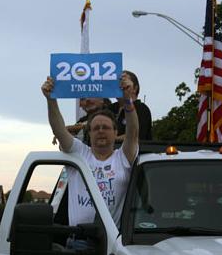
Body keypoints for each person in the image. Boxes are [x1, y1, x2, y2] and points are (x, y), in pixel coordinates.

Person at [42, 72, 139, 229]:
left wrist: (127, 99)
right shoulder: (78, 154)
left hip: (112, 241)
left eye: (106, 127)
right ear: (89, 133)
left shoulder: (123, 158)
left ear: (116, 132)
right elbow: (59, 130)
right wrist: (51, 99)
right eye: (96, 128)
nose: (101, 131)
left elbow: (133, 132)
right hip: (77, 239)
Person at [110, 70, 152, 143]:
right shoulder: (110, 108)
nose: (120, 85)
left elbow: (137, 135)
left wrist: (110, 140)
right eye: (116, 83)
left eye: (124, 82)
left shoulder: (142, 109)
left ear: (135, 88)